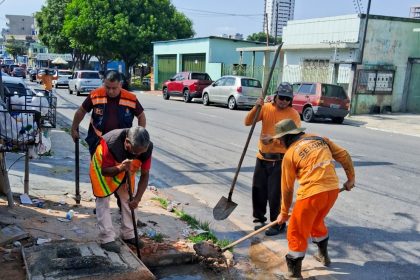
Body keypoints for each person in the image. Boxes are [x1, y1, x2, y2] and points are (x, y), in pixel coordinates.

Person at [271, 119, 355, 279]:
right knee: (316, 222)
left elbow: (287, 188)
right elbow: (344, 155)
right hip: (332, 191)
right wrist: (351, 179)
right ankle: (324, 256)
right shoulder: (319, 139)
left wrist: (283, 213)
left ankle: (294, 275)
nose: (279, 143)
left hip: (312, 194)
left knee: (296, 232)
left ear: (287, 137)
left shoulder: (290, 154)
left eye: (280, 139)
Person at [244, 82, 301, 236]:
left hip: (281, 160)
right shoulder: (266, 108)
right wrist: (256, 107)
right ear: (275, 96)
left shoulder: (293, 114)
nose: (283, 101)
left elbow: (294, 136)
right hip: (262, 157)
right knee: (258, 190)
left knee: (276, 194)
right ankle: (259, 219)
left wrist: (273, 139)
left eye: (287, 99)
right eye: (281, 97)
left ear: (291, 100)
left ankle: (278, 224)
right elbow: (247, 122)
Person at [91, 126, 153, 253]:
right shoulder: (111, 143)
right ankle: (107, 238)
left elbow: (145, 174)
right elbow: (105, 171)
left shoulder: (146, 148)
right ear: (127, 142)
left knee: (128, 198)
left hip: (126, 168)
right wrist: (120, 168)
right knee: (103, 200)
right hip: (103, 168)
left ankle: (129, 234)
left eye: (141, 153)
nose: (138, 155)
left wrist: (137, 199)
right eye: (136, 152)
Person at [71, 70, 146, 155]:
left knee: (119, 168)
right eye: (107, 87)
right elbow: (81, 111)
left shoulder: (130, 98)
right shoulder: (95, 95)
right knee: (98, 168)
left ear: (120, 85)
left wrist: (139, 136)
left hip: (121, 145)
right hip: (97, 142)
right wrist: (74, 128)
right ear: (104, 84)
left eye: (114, 88)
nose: (110, 91)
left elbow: (141, 116)